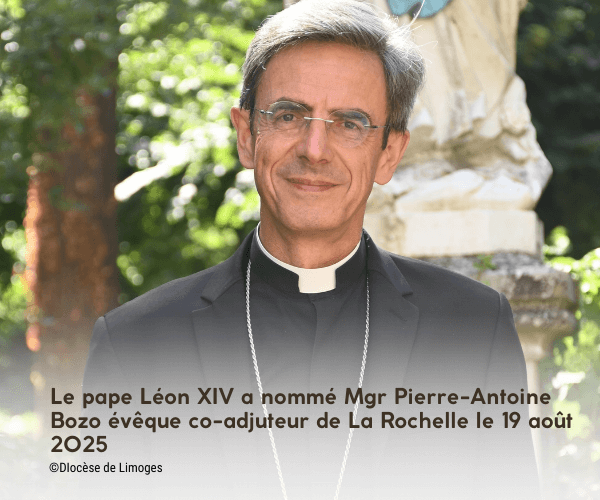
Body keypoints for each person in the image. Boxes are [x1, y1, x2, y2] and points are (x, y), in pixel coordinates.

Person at [82, 1, 540, 499]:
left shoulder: (474, 329)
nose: (314, 149)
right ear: (246, 135)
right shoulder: (134, 346)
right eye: (288, 115)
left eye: (350, 123)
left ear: (389, 153)